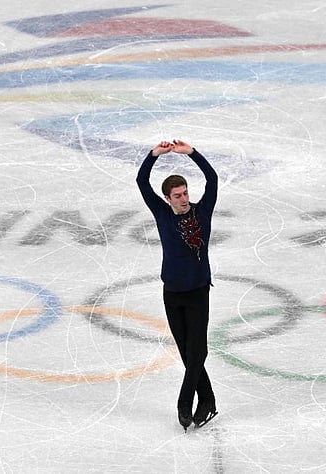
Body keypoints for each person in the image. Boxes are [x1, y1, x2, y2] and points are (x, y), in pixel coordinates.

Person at [136, 139, 219, 431]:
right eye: (177, 195)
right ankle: (207, 399)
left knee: (199, 352)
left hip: (197, 291)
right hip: (171, 292)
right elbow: (141, 181)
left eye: (185, 193)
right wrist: (154, 155)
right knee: (186, 352)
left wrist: (193, 153)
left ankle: (185, 403)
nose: (184, 199)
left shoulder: (202, 211)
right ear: (168, 198)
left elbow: (212, 179)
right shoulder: (161, 214)